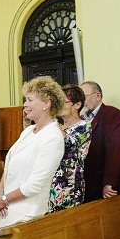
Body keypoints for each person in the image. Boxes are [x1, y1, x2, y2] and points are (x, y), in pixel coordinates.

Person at [0, 77, 65, 228]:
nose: (25, 104)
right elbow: (9, 166)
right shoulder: (29, 131)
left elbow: (35, 185)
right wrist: (0, 193)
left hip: (27, 211)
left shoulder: (52, 138)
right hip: (9, 207)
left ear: (46, 103)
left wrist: (5, 199)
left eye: (30, 100)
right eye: (26, 99)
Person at [48, 84, 92, 212]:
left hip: (69, 186)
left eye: (64, 102)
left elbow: (67, 144)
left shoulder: (84, 126)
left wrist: (52, 120)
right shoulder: (58, 126)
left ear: (77, 105)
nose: (60, 105)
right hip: (50, 183)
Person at [81, 81, 120, 201]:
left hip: (102, 183)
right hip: (87, 183)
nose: (82, 101)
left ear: (97, 96)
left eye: (84, 96)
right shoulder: (81, 118)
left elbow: (115, 150)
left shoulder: (111, 114)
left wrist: (109, 182)